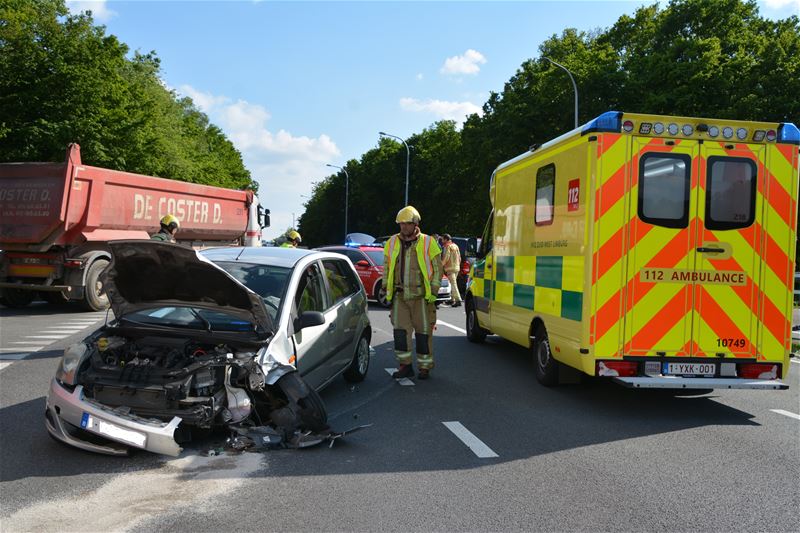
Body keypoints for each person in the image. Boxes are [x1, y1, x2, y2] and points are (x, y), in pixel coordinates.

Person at [382, 205, 443, 380]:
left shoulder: (428, 242)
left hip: (421, 297)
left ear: (415, 224)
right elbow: (387, 267)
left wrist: (433, 291)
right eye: (401, 224)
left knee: (423, 333)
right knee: (400, 333)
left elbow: (438, 269)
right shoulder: (392, 242)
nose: (404, 227)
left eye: (407, 223)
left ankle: (425, 367)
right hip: (400, 296)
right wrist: (386, 287)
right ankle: (405, 366)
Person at [440, 234, 462, 307]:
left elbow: (446, 257)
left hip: (450, 268)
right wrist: (458, 265)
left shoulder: (447, 246)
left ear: (446, 239)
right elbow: (459, 257)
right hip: (456, 267)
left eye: (442, 239)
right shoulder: (455, 246)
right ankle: (452, 299)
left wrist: (441, 265)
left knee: (453, 284)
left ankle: (458, 300)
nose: (442, 241)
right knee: (453, 284)